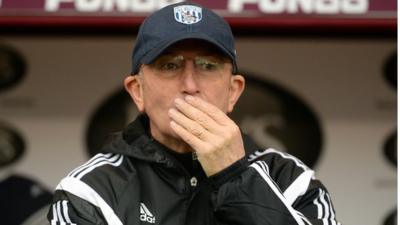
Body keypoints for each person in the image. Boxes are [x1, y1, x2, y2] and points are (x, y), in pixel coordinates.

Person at [47, 2, 340, 225]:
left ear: (234, 91)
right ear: (138, 91)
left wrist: (235, 176)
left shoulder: (291, 179)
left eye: (207, 66)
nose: (189, 86)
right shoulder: (90, 190)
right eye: (169, 66)